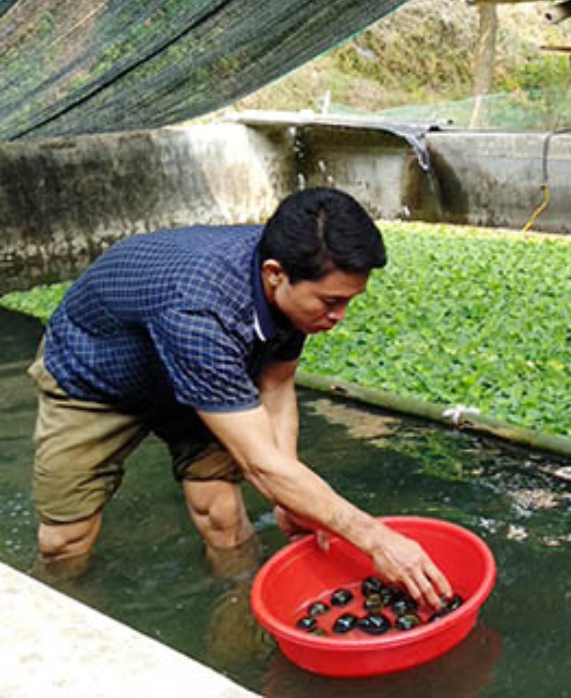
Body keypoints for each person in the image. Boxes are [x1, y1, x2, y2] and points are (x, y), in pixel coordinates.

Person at [27, 187, 451, 607]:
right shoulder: (200, 311)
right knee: (65, 541)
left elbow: (277, 385)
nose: (339, 317)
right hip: (96, 376)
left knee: (224, 518)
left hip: (207, 378)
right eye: (331, 302)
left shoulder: (293, 279)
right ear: (274, 274)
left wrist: (289, 496)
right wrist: (375, 539)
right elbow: (258, 464)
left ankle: (241, 619)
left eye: (348, 302)